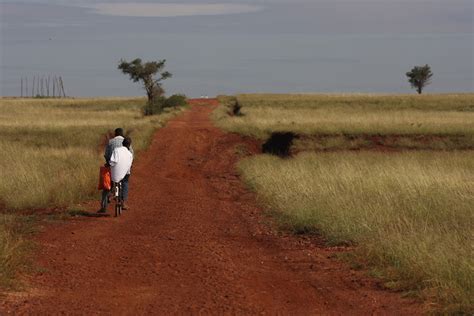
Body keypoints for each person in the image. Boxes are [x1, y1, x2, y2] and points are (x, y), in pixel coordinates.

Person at [121, 137, 133, 210]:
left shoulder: (116, 150)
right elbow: (130, 164)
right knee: (125, 183)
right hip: (125, 172)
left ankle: (110, 194)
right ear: (129, 145)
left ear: (122, 144)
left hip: (115, 171)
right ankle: (123, 203)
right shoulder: (130, 153)